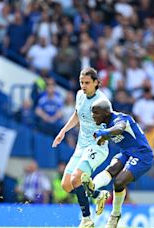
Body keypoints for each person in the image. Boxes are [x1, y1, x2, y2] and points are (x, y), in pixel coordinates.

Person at [52, 67, 111, 228]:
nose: (83, 86)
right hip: (81, 147)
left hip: (97, 147)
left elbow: (111, 126)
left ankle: (86, 219)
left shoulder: (103, 102)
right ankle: (98, 195)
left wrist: (102, 135)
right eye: (81, 82)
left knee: (76, 178)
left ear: (96, 83)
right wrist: (63, 131)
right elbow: (77, 114)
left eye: (86, 83)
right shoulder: (79, 95)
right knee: (66, 185)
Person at [87, 99, 154, 228]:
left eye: (96, 113)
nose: (93, 116)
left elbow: (119, 129)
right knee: (111, 169)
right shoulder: (106, 125)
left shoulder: (121, 118)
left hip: (142, 155)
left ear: (106, 113)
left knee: (118, 182)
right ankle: (94, 189)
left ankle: (115, 215)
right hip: (126, 153)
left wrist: (104, 133)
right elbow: (108, 135)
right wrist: (101, 139)